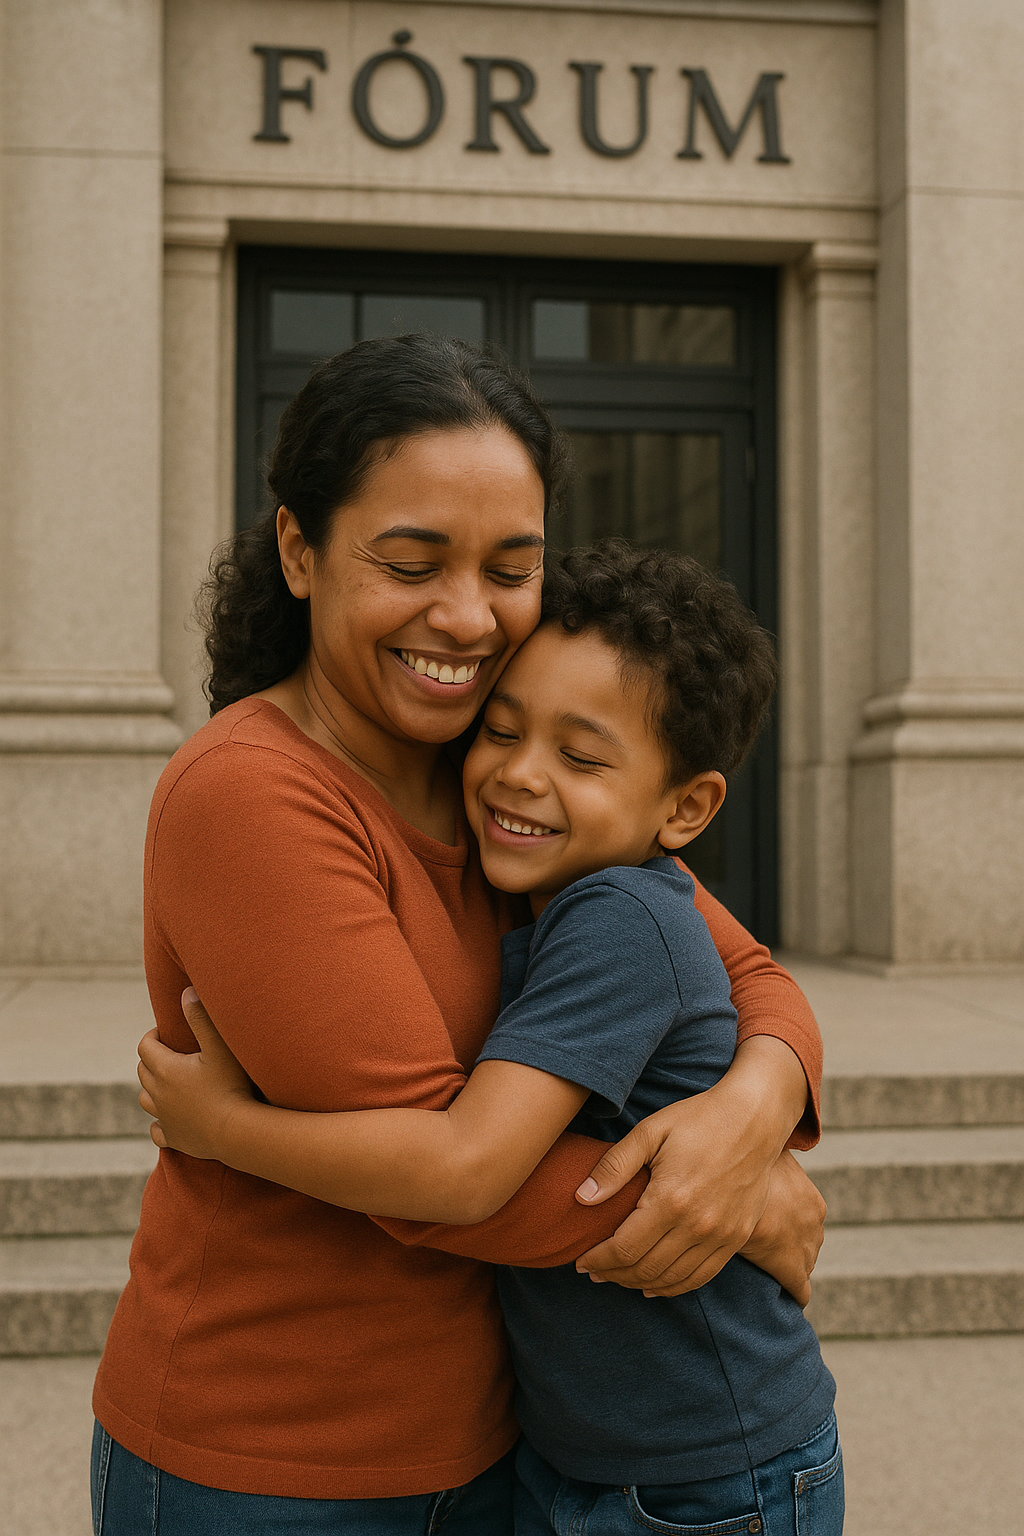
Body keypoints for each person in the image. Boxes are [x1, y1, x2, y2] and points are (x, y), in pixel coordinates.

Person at [93, 336, 825, 1534]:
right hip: (276, 1463)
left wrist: (752, 1118)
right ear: (300, 550)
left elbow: (738, 966)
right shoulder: (254, 793)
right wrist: (734, 1210)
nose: (468, 615)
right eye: (411, 561)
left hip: (496, 1449)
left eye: (510, 567)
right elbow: (440, 1182)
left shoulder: (494, 770)